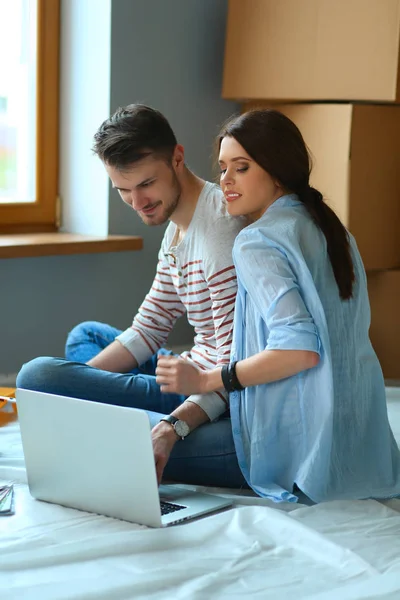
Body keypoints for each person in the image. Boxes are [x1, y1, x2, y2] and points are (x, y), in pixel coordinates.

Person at [156, 108, 400, 503]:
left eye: (242, 167)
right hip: (359, 443)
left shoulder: (257, 241)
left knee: (128, 429)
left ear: (277, 170)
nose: (226, 181)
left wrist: (204, 381)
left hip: (293, 448)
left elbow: (298, 350)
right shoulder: (333, 229)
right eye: (222, 168)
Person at [17, 104, 247, 488]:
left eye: (145, 185)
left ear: (177, 158)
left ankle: (94, 424)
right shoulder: (177, 228)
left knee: (37, 376)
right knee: (85, 337)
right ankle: (93, 416)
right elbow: (148, 328)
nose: (137, 203)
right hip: (186, 370)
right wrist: (82, 384)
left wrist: (173, 426)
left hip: (211, 398)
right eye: (123, 190)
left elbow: (230, 369)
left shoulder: (219, 233)